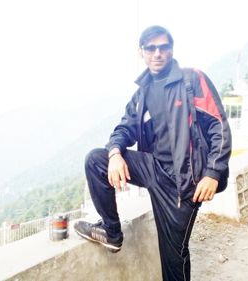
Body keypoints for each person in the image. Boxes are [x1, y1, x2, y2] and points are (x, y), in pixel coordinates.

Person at [74, 25, 232, 280]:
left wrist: (213, 172)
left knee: (173, 257)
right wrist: (115, 153)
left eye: (163, 47)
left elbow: (219, 126)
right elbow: (124, 128)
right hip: (153, 169)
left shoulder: (192, 80)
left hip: (184, 184)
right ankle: (112, 232)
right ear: (142, 52)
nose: (157, 53)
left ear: (171, 50)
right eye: (151, 48)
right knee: (96, 160)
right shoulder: (142, 93)